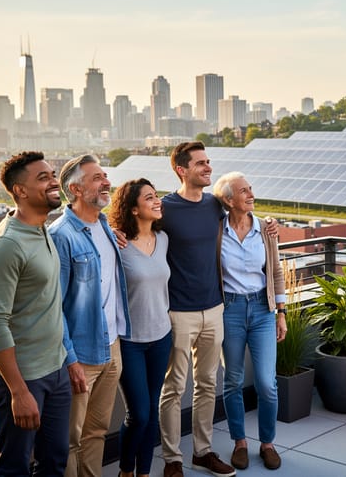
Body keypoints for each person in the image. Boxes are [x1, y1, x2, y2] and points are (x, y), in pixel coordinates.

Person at [0, 151, 72, 476]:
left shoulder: (41, 227)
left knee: (55, 462)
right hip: (21, 378)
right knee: (14, 468)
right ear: (20, 191)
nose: (54, 181)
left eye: (53, 174)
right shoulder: (6, 245)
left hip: (55, 368)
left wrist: (66, 360)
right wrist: (19, 392)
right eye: (43, 177)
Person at [157, 141, 238, 477]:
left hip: (214, 308)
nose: (208, 168)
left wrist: (270, 228)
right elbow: (138, 235)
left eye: (208, 162)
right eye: (200, 163)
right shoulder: (165, 208)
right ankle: (172, 458)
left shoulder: (214, 206)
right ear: (181, 169)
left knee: (207, 383)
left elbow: (244, 218)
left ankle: (202, 452)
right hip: (178, 311)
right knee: (174, 387)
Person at [50, 154, 130, 477]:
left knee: (96, 431)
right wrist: (70, 361)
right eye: (97, 178)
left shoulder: (106, 226)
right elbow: (54, 306)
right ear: (76, 189)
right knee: (70, 439)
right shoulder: (61, 235)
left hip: (112, 349)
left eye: (104, 176)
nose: (106, 182)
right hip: (81, 356)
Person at [212, 171, 286, 471]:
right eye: (244, 191)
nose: (251, 194)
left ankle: (267, 443)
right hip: (228, 310)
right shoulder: (217, 231)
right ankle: (239, 442)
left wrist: (281, 312)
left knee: (268, 384)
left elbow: (276, 273)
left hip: (262, 310)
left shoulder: (266, 231)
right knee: (232, 380)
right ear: (229, 200)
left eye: (251, 188)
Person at [108, 179, 172, 477]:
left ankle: (144, 472)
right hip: (131, 341)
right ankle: (125, 471)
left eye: (156, 195)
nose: (157, 200)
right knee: (139, 414)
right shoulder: (117, 245)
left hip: (161, 337)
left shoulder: (164, 239)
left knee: (152, 414)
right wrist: (111, 233)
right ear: (133, 209)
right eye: (149, 198)